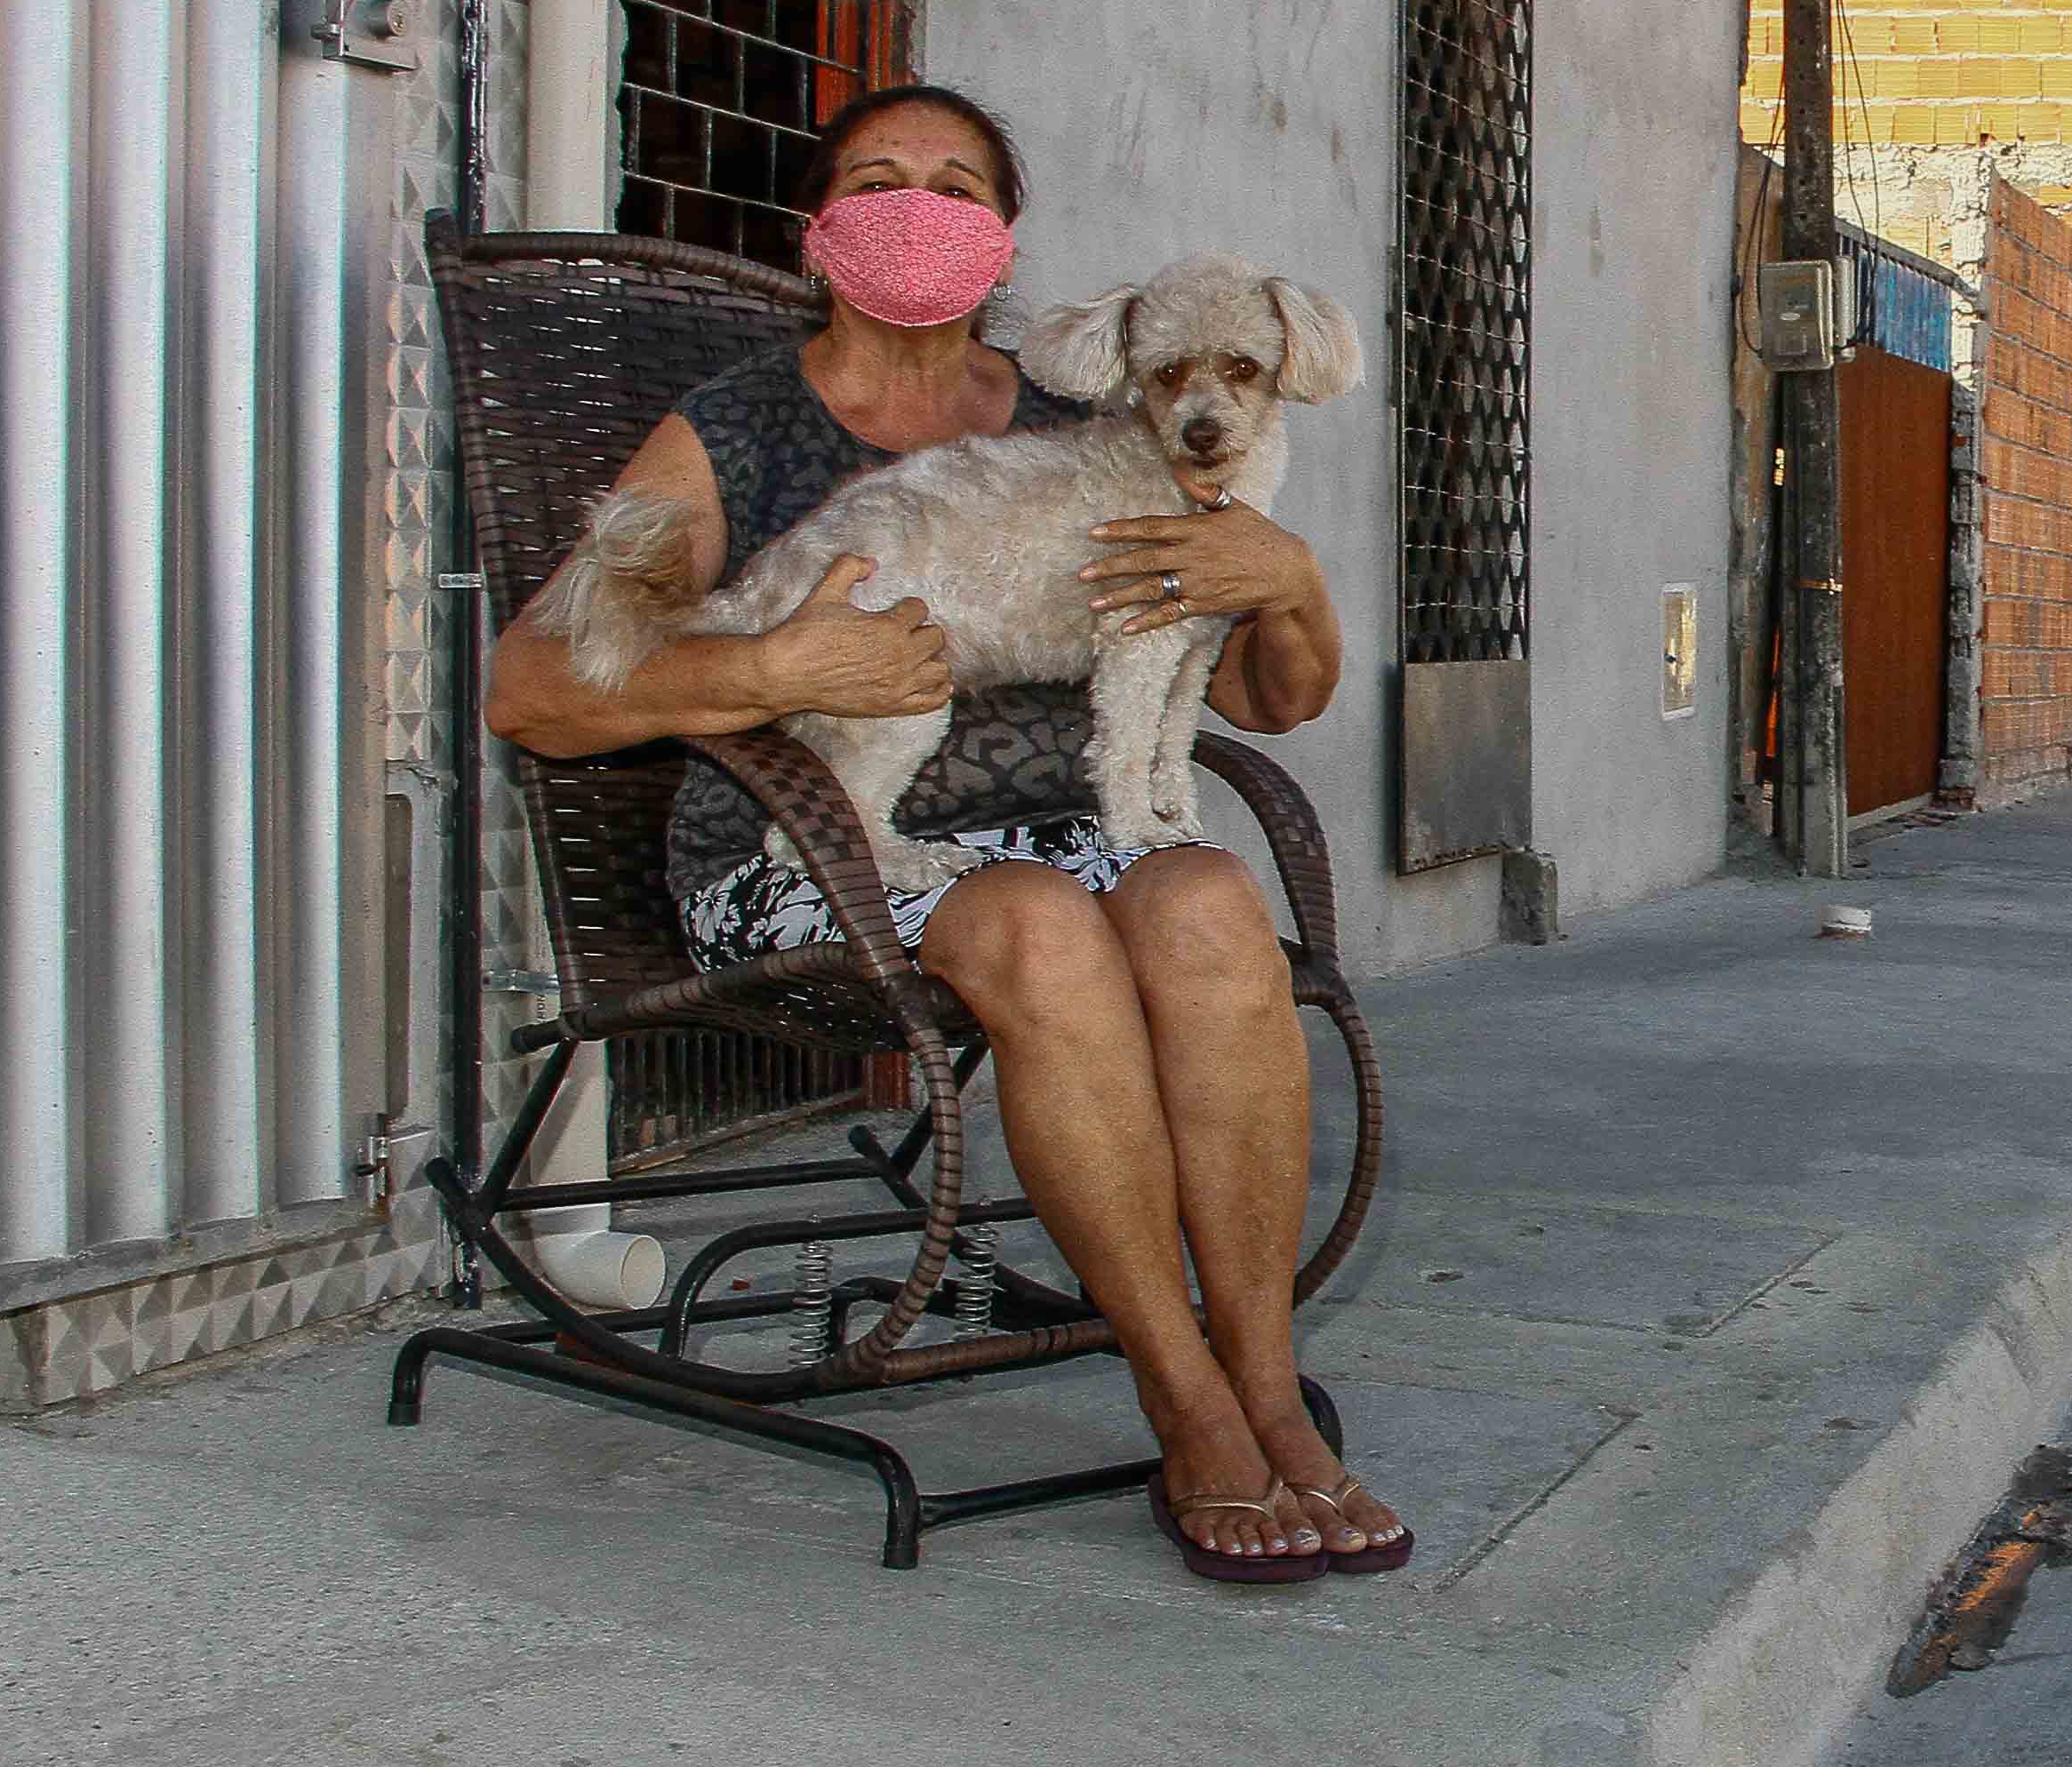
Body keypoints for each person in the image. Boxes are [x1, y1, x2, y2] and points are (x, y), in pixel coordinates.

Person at [484, 85, 1396, 1586]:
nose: (920, 206)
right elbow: (533, 686)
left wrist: (1286, 577)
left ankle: (1267, 1385)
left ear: (1002, 238)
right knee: (1035, 919)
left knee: (1212, 902)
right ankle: (1191, 1410)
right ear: (821, 228)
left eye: (957, 185)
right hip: (810, 852)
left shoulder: (1095, 414)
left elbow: (1261, 694)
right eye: (880, 179)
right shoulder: (739, 426)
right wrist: (774, 671)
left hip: (1063, 825)